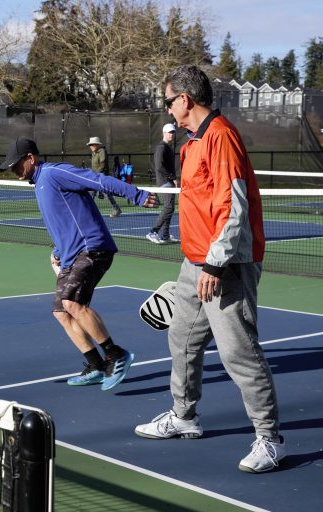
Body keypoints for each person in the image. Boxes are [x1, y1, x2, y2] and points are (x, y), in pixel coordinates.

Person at [135, 65, 285, 473]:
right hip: (196, 262)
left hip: (227, 264)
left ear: (185, 99)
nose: (167, 110)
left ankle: (269, 439)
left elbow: (233, 209)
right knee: (182, 339)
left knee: (239, 351)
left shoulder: (221, 137)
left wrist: (215, 264)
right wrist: (198, 263)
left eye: (169, 101)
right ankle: (184, 417)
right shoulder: (192, 143)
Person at [0, 137, 158, 390]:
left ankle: (115, 355)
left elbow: (98, 180)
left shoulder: (54, 173)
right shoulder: (39, 184)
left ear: (31, 158)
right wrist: (59, 251)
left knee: (73, 303)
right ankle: (95, 364)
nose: (13, 170)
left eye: (17, 164)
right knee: (61, 312)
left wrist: (135, 194)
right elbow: (63, 221)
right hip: (72, 255)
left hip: (93, 249)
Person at [146, 123, 179, 244]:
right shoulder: (161, 147)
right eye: (170, 132)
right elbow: (159, 167)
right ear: (164, 133)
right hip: (165, 181)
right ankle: (153, 232)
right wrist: (172, 178)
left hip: (169, 181)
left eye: (173, 132)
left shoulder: (168, 147)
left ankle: (165, 235)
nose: (172, 134)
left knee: (170, 207)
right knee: (169, 207)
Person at [87, 137, 122, 217]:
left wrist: (96, 174)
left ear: (96, 145)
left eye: (92, 145)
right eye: (90, 145)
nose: (90, 146)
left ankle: (117, 209)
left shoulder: (102, 151)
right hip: (95, 177)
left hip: (102, 177)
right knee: (91, 194)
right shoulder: (94, 153)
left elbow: (102, 165)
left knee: (107, 194)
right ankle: (88, 211)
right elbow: (94, 166)